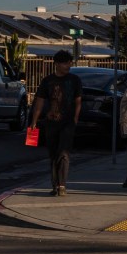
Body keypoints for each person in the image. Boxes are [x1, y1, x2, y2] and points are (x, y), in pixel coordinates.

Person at [30, 50, 82, 197]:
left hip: (68, 122)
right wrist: (34, 121)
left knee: (63, 153)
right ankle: (55, 185)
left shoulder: (74, 80)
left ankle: (62, 184)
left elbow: (78, 100)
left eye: (70, 62)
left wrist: (75, 118)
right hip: (51, 122)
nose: (68, 65)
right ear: (57, 64)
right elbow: (39, 101)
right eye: (65, 63)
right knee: (53, 154)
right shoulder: (47, 81)